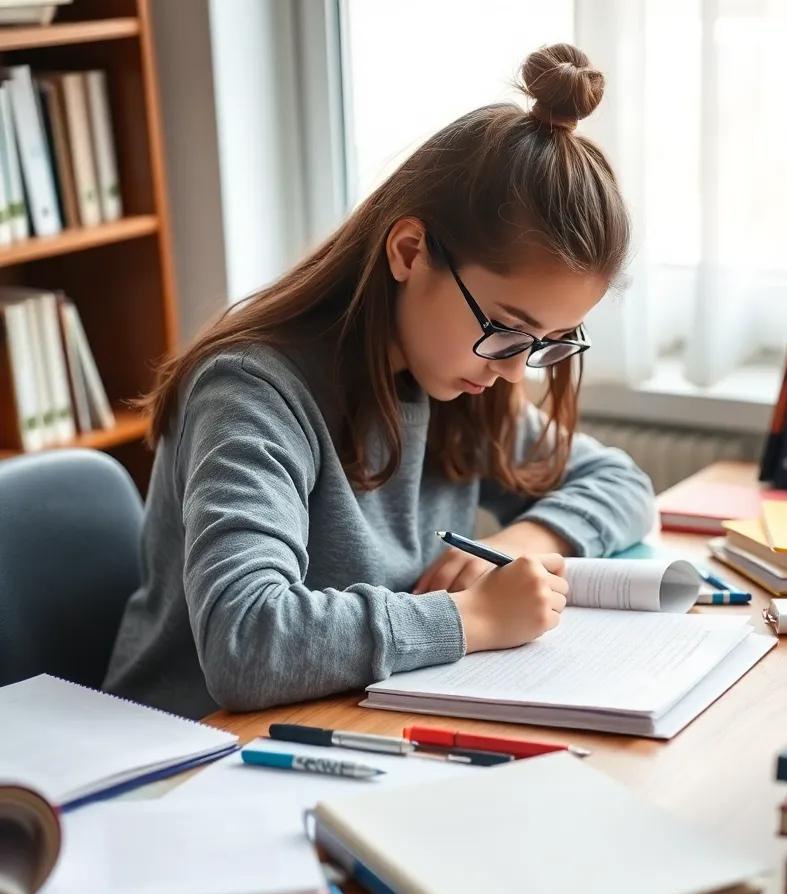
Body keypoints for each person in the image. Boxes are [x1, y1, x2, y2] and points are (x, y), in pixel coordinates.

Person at [103, 43, 655, 720]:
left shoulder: (458, 381)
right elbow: (245, 640)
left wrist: (513, 549)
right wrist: (470, 619)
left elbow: (621, 483)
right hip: (190, 749)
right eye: (509, 328)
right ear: (409, 252)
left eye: (546, 343)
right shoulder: (250, 393)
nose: (516, 368)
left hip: (356, 714)